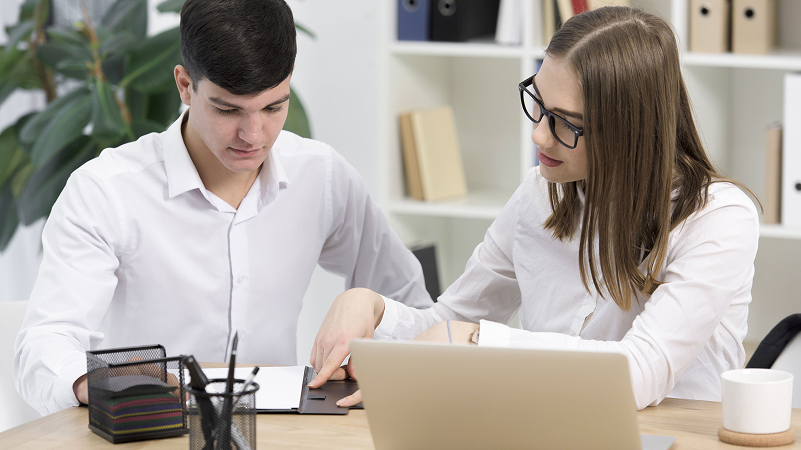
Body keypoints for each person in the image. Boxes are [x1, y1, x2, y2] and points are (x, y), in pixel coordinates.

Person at [308, 6, 760, 410]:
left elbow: (640, 373)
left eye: (566, 124)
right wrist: (371, 308)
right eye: (539, 104)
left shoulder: (718, 218)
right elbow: (451, 324)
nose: (539, 136)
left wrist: (480, 341)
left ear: (630, 131)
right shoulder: (540, 193)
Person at [13, 0, 432, 415]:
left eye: (273, 107)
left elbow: (411, 306)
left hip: (283, 434)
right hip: (149, 429)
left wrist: (373, 337)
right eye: (227, 109)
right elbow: (46, 342)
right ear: (185, 86)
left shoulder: (322, 177)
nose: (253, 134)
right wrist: (97, 380)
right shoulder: (106, 191)